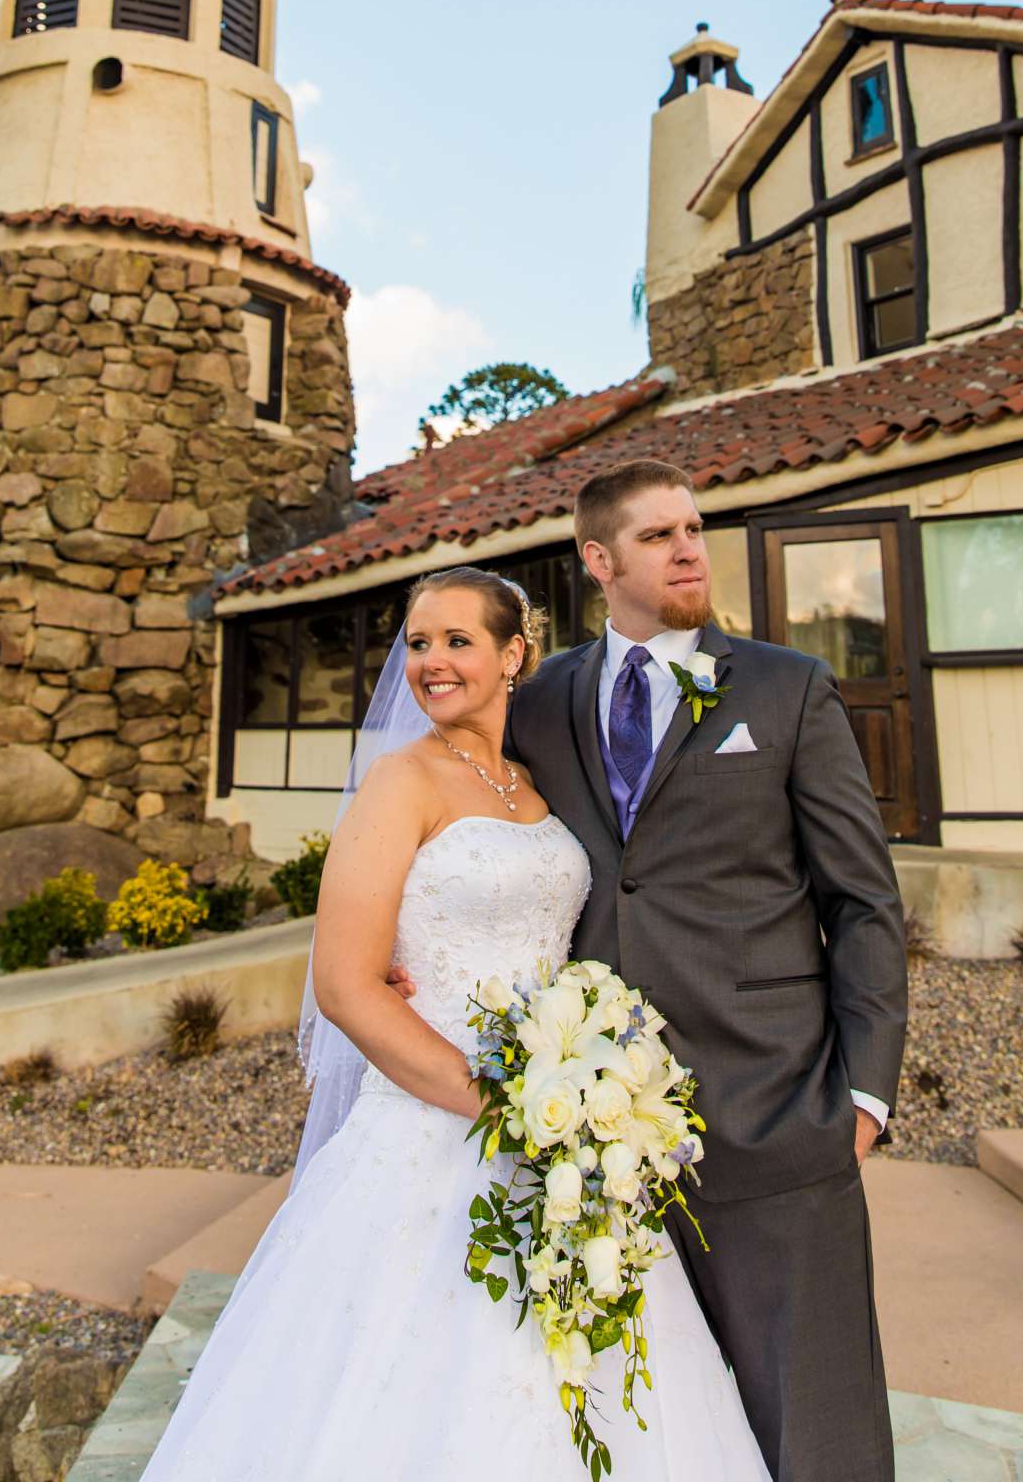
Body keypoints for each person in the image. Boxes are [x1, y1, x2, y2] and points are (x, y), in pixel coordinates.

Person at [137, 566, 770, 1482]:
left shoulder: (539, 781)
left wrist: (593, 1088)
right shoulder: (402, 783)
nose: (431, 662)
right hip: (438, 1128)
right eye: (418, 643)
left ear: (515, 654)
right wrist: (504, 1106)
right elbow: (348, 986)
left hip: (568, 1134)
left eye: (457, 641)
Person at [505, 458, 908, 1482]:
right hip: (594, 1125)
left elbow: (860, 899)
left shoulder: (786, 687)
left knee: (814, 1421)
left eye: (694, 529)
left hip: (774, 1102)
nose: (689, 548)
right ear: (598, 561)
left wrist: (863, 1089)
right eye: (657, 536)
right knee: (634, 1409)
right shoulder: (539, 701)